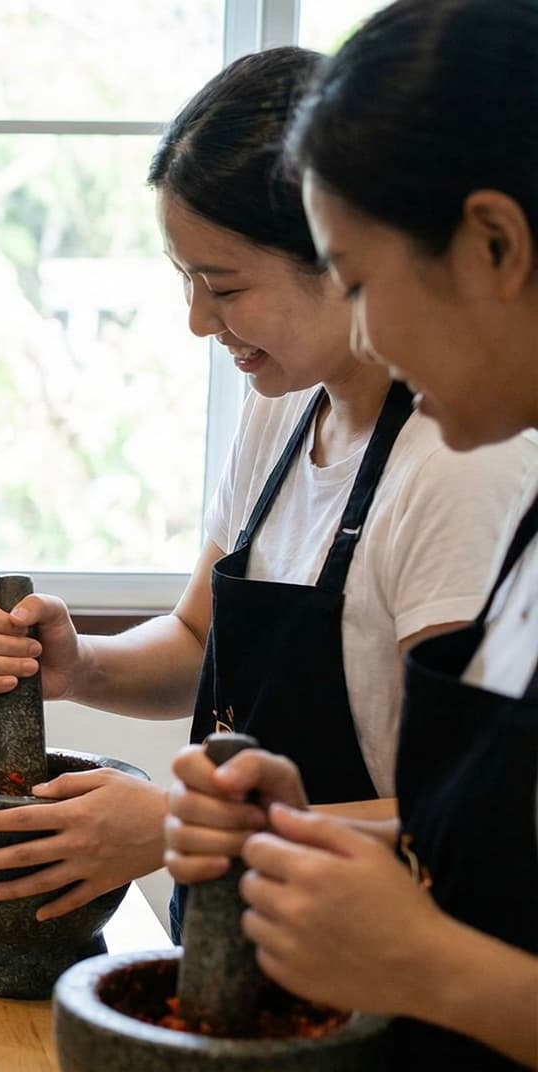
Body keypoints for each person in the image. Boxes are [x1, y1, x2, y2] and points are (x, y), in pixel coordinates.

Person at [0, 45, 537, 930]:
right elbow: (201, 637)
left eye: (223, 284)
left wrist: (186, 826)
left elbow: (462, 819)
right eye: (184, 278)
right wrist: (82, 666)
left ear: (342, 257)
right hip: (244, 944)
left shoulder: (464, 462)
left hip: (379, 972)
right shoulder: (281, 409)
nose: (198, 320)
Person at [167, 1, 538, 1067]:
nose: (362, 333)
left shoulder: (475, 471)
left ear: (494, 245)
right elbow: (486, 840)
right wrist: (305, 831)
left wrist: (429, 964)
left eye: (364, 283)